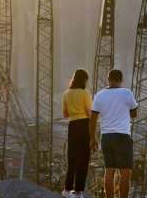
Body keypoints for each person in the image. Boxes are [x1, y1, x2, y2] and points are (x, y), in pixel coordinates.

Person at [90, 69, 138, 198]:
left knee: (109, 171)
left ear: (108, 79)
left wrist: (92, 138)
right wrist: (122, 112)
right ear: (121, 80)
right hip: (122, 136)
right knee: (125, 173)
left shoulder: (99, 95)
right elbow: (134, 114)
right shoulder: (126, 93)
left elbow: (93, 117)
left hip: (106, 137)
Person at [61, 69, 93, 198]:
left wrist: (74, 112)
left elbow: (65, 114)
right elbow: (89, 112)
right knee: (83, 159)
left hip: (72, 126)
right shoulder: (85, 93)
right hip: (84, 125)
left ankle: (67, 190)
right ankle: (78, 191)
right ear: (84, 80)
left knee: (72, 158)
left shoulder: (66, 93)